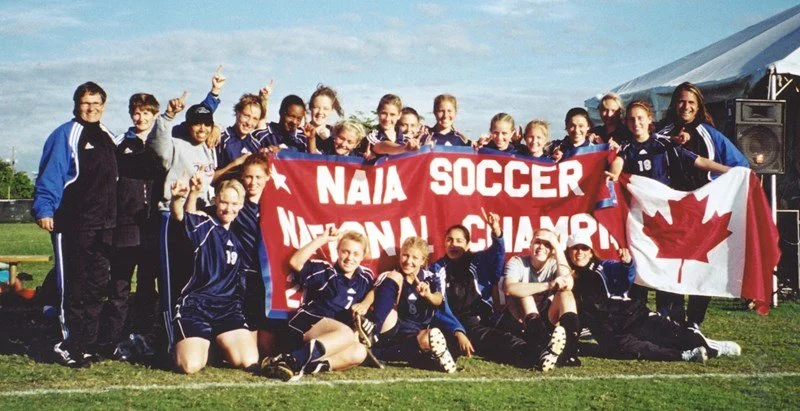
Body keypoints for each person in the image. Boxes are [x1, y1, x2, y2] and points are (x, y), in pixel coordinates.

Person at [32, 82, 118, 368]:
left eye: (96, 103)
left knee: (95, 287)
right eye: (85, 103)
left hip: (104, 227)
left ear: (103, 106)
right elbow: (52, 174)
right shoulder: (66, 135)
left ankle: (85, 344)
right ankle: (65, 344)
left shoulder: (107, 135)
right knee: (74, 287)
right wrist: (44, 208)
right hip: (73, 225)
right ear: (76, 104)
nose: (91, 108)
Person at [654, 82, 749, 330]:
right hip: (671, 211)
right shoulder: (662, 133)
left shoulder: (710, 135)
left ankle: (694, 321)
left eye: (691, 103)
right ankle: (668, 318)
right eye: (681, 101)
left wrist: (722, 188)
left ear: (698, 107)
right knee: (670, 263)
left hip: (702, 211)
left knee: (700, 264)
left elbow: (741, 166)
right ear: (675, 104)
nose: (686, 106)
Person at [566, 232, 741, 363]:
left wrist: (627, 264)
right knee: (636, 350)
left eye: (584, 248)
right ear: (568, 252)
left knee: (676, 337)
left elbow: (625, 275)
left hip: (632, 316)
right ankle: (685, 356)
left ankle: (714, 347)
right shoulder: (567, 277)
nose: (579, 252)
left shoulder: (604, 266)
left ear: (591, 251)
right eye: (575, 248)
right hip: (610, 332)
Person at [169, 175, 258, 374]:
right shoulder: (205, 224)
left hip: (227, 308)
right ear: (215, 200)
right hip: (196, 306)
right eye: (224, 202)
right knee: (190, 366)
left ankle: (214, 343)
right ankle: (189, 343)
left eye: (234, 203)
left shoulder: (240, 233)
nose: (229, 208)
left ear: (241, 205)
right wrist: (177, 199)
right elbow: (182, 217)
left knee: (248, 360)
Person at [99, 93, 165, 360]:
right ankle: (112, 339)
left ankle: (143, 337)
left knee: (148, 287)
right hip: (125, 227)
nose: (142, 118)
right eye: (137, 113)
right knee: (120, 285)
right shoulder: (119, 144)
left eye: (147, 113)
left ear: (155, 115)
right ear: (131, 114)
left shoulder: (162, 143)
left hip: (151, 227)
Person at [429, 212, 541, 369]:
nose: (454, 244)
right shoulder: (437, 268)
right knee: (459, 341)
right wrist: (457, 330)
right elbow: (440, 305)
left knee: (508, 336)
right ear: (444, 243)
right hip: (453, 322)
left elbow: (497, 254)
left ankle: (540, 353)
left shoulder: (477, 261)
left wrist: (496, 231)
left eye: (459, 241)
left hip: (480, 320)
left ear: (468, 245)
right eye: (450, 240)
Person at [262, 228, 372, 382]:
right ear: (338, 251)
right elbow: (295, 262)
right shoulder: (326, 271)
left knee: (359, 351)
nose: (349, 258)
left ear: (363, 256)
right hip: (304, 326)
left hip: (330, 338)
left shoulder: (365, 277)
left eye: (355, 254)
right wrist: (322, 239)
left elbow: (376, 289)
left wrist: (365, 304)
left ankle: (293, 364)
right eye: (345, 252)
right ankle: (292, 361)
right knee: (346, 333)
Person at [360, 237, 458, 373]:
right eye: (405, 255)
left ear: (423, 261)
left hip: (415, 332)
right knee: (395, 277)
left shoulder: (431, 277)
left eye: (415, 258)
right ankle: (374, 333)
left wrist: (428, 295)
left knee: (432, 338)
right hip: (392, 329)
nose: (408, 261)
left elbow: (439, 299)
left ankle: (375, 354)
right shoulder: (392, 275)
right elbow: (375, 291)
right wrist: (364, 304)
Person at [501, 228, 580, 371]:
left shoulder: (554, 264)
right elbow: (509, 288)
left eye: (547, 244)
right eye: (538, 242)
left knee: (566, 293)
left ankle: (570, 352)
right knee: (525, 295)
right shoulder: (518, 262)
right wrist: (548, 285)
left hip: (546, 319)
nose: (541, 247)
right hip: (521, 322)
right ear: (530, 245)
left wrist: (556, 246)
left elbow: (568, 283)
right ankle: (543, 349)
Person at [606, 100, 731, 186]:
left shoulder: (664, 143)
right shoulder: (626, 146)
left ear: (650, 119)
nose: (636, 123)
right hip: (639, 205)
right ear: (626, 122)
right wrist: (614, 174)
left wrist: (729, 171)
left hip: (662, 200)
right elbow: (618, 161)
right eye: (631, 119)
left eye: (640, 118)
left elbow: (698, 160)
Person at [215, 93, 265, 172]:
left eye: (255, 119)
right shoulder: (220, 139)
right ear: (238, 113)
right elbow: (209, 178)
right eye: (246, 116)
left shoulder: (256, 144)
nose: (249, 122)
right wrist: (235, 164)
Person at [306, 84, 344, 154]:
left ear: (332, 110)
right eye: (316, 107)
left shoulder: (337, 135)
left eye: (325, 109)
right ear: (310, 107)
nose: (320, 112)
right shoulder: (300, 133)